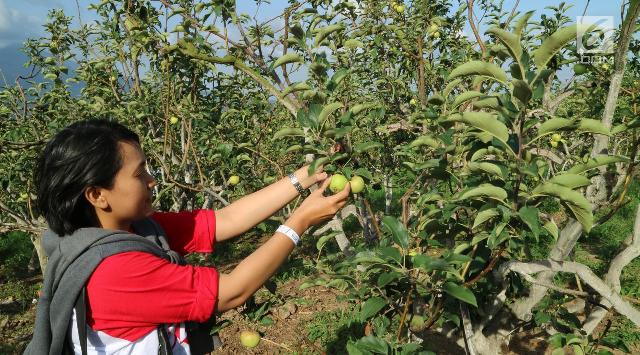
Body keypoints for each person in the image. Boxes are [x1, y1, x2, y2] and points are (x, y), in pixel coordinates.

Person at [25, 119, 350, 354]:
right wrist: (300, 221)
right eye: (140, 174)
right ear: (97, 195)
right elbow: (231, 292)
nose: (152, 181)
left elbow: (226, 219)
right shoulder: (115, 271)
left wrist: (310, 174)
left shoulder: (128, 230)